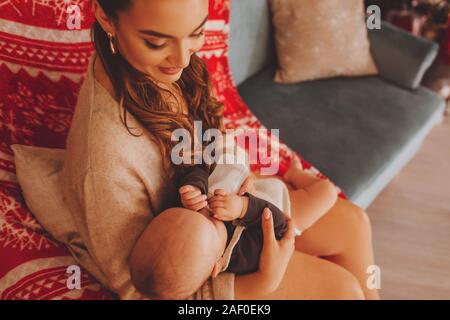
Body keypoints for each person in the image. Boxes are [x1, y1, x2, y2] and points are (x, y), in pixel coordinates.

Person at [62, 0, 380, 300]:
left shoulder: (164, 67)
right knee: (342, 290)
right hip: (205, 260)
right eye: (156, 43)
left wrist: (240, 173)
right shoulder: (105, 157)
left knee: (353, 224)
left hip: (233, 215)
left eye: (196, 33)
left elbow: (213, 136)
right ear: (105, 16)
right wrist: (258, 285)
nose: (184, 59)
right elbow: (141, 289)